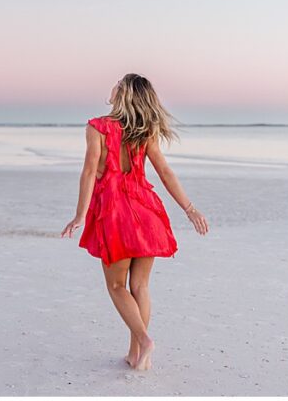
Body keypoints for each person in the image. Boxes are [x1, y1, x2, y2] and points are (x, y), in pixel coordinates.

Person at [61, 73, 209, 370]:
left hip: (116, 213)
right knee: (140, 285)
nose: (113, 85)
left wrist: (80, 214)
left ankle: (144, 340)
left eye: (117, 82)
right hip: (146, 210)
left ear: (123, 92)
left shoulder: (98, 127)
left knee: (117, 286)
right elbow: (165, 172)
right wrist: (190, 208)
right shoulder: (144, 131)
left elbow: (90, 172)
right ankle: (136, 355)